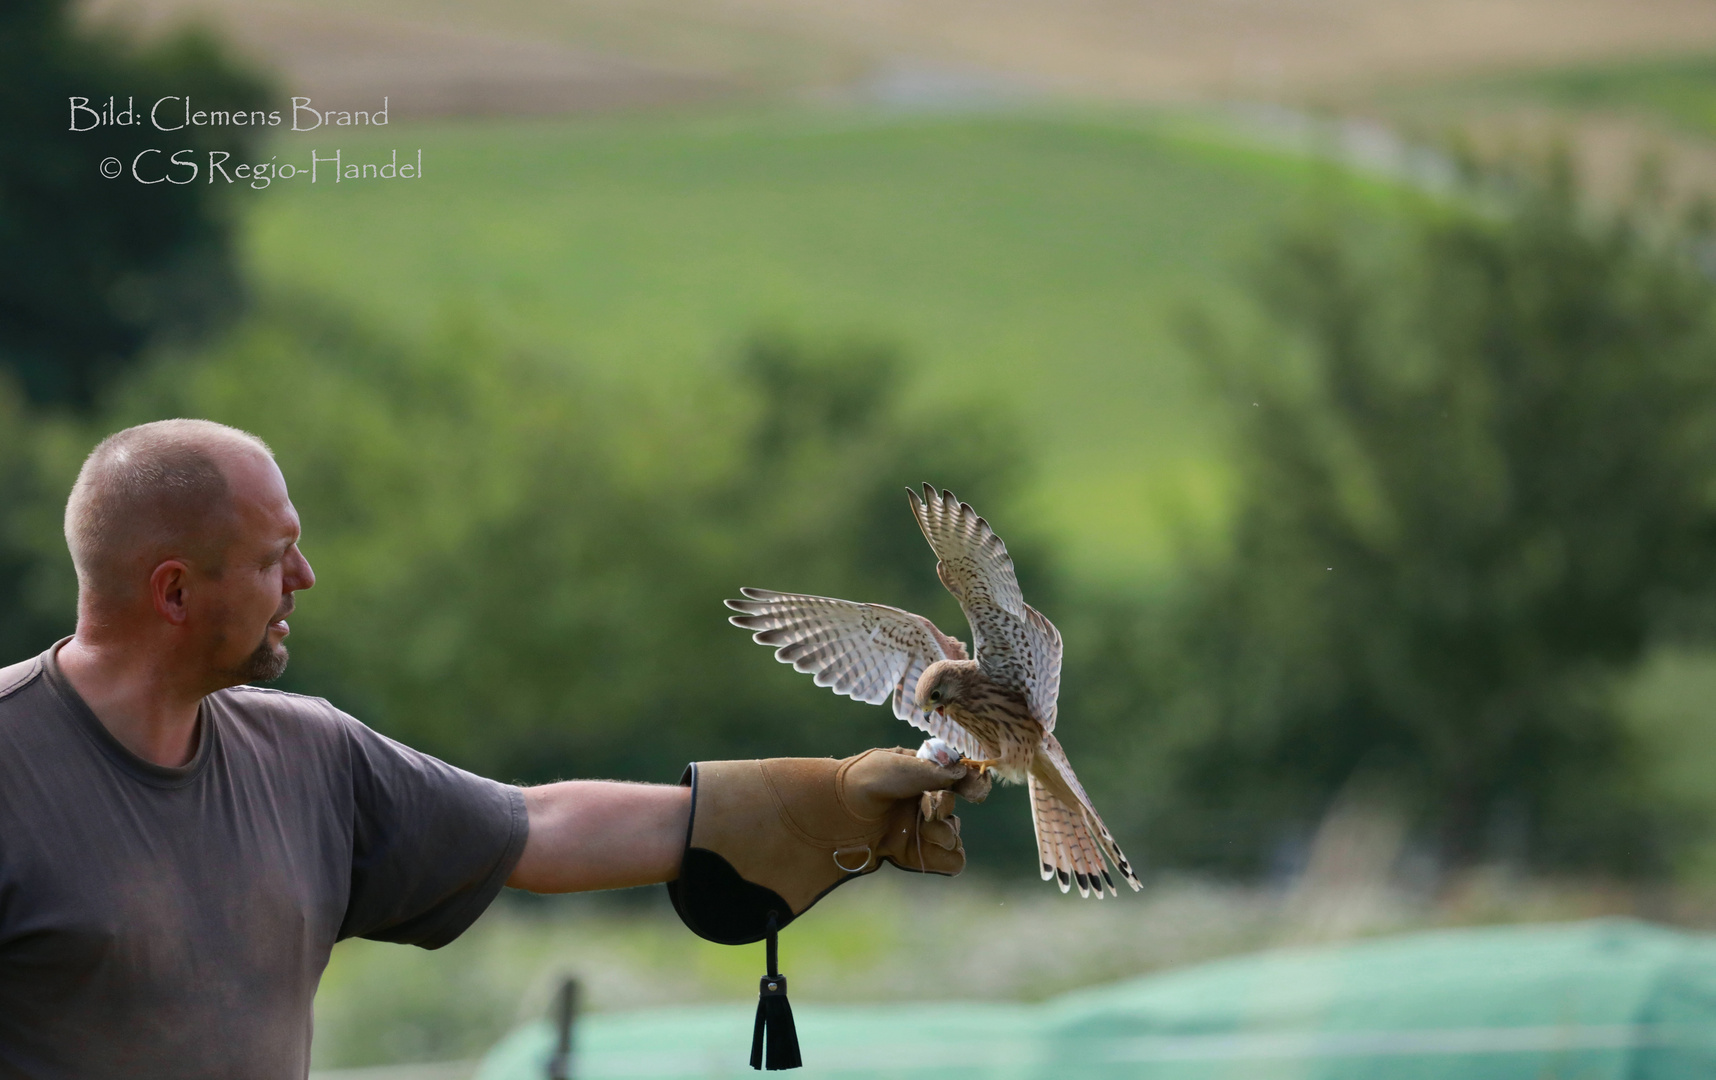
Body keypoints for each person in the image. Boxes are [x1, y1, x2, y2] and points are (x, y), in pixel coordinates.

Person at [0, 419, 973, 1079]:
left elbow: (533, 828)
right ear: (173, 592)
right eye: (270, 557)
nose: (305, 576)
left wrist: (835, 798)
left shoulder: (309, 758)